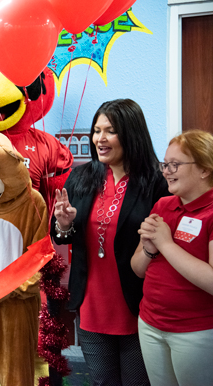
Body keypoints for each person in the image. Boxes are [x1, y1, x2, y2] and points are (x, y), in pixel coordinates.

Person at [52, 99, 169, 385]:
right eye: (96, 131)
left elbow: (164, 242)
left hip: (136, 301)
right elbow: (60, 235)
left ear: (131, 134)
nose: (99, 139)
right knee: (102, 380)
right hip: (91, 301)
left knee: (136, 381)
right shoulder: (80, 177)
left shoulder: (156, 181)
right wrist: (63, 224)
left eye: (110, 131)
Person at [131, 129, 213, 386]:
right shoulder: (163, 205)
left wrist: (166, 244)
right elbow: (138, 269)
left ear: (204, 169)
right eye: (165, 164)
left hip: (195, 331)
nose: (166, 171)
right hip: (150, 324)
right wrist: (148, 249)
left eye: (175, 164)